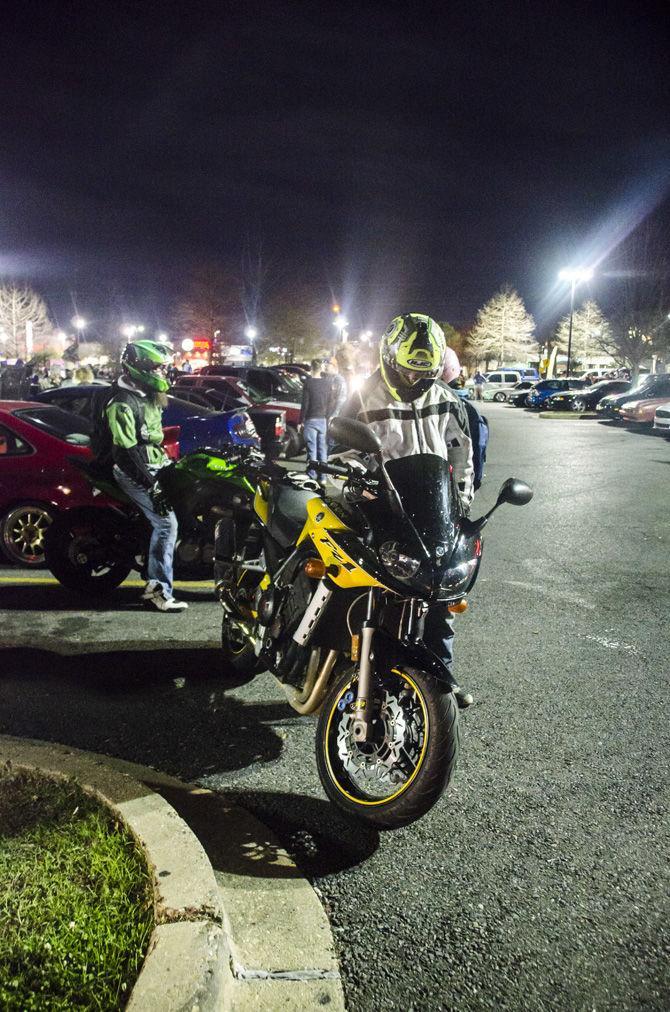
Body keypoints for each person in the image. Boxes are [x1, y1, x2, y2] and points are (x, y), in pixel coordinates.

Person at [340, 313, 475, 707]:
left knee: (441, 599)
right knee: (365, 592)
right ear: (389, 356)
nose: (415, 380)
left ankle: (439, 690)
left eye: (425, 372)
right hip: (379, 509)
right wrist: (354, 483)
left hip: (432, 511)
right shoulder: (362, 396)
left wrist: (461, 502)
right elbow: (343, 452)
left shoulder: (448, 401)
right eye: (408, 370)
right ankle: (350, 679)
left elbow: (462, 456)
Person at [105, 340, 187, 613]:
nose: (162, 373)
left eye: (163, 368)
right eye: (156, 368)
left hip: (156, 465)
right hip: (134, 472)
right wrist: (152, 487)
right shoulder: (122, 404)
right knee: (167, 525)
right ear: (138, 367)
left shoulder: (149, 394)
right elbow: (126, 455)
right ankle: (157, 590)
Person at [300, 359, 334, 480]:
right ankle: (323, 477)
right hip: (322, 420)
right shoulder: (328, 383)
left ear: (311, 368)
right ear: (321, 368)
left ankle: (312, 474)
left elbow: (305, 404)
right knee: (322, 448)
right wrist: (327, 417)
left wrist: (301, 421)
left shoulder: (308, 383)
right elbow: (331, 403)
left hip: (311, 419)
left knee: (312, 448)